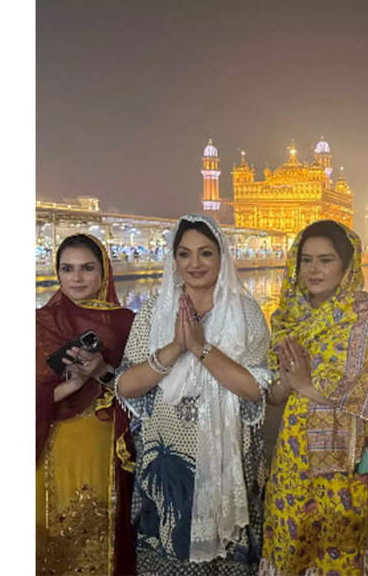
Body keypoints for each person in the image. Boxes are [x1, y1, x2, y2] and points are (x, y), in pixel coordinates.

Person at [114, 215, 271, 575]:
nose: (195, 264)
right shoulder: (154, 312)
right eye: (184, 254)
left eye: (205, 253)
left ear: (222, 257)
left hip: (227, 460)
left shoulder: (245, 313)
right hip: (168, 465)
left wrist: (201, 349)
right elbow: (126, 386)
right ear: (174, 260)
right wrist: (175, 348)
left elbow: (252, 389)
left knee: (224, 558)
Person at [260, 220, 368, 576]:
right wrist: (292, 384)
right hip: (294, 451)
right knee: (292, 539)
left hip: (347, 456)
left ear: (347, 264)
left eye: (325, 260)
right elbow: (276, 394)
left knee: (343, 544)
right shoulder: (290, 317)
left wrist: (307, 386)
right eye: (306, 260)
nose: (314, 270)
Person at [36, 233, 136, 575]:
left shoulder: (127, 325)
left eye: (87, 268)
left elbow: (142, 394)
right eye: (67, 269)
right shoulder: (40, 324)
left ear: (104, 272)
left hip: (102, 444)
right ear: (57, 272)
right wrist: (73, 385)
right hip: (49, 444)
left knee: (96, 535)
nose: (76, 278)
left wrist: (102, 372)